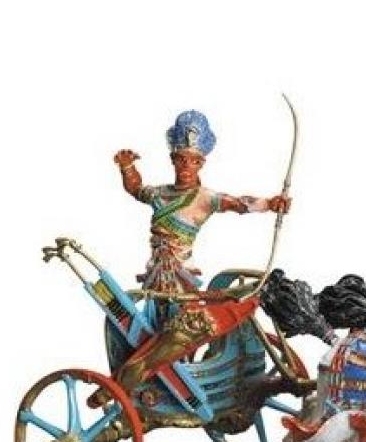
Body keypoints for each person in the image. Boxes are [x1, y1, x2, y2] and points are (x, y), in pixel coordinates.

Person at [90, 109, 291, 407]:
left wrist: (270, 204)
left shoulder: (205, 198)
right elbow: (136, 189)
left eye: (193, 161)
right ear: (173, 161)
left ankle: (175, 379)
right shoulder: (160, 194)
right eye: (181, 160)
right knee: (150, 330)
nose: (186, 167)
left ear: (201, 163)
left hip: (182, 276)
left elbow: (239, 204)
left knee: (181, 331)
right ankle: (149, 382)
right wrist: (127, 167)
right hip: (156, 275)